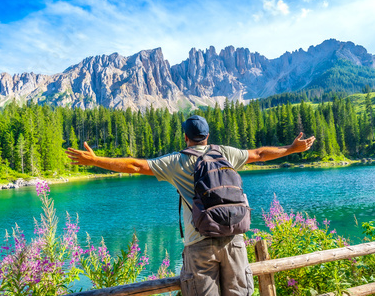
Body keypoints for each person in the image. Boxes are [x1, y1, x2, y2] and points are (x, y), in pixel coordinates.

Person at [65, 115, 315, 296]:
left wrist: (96, 160)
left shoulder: (176, 161)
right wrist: (292, 149)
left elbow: (135, 165)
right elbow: (260, 154)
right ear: (207, 136)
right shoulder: (225, 153)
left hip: (199, 242)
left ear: (185, 137)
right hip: (234, 241)